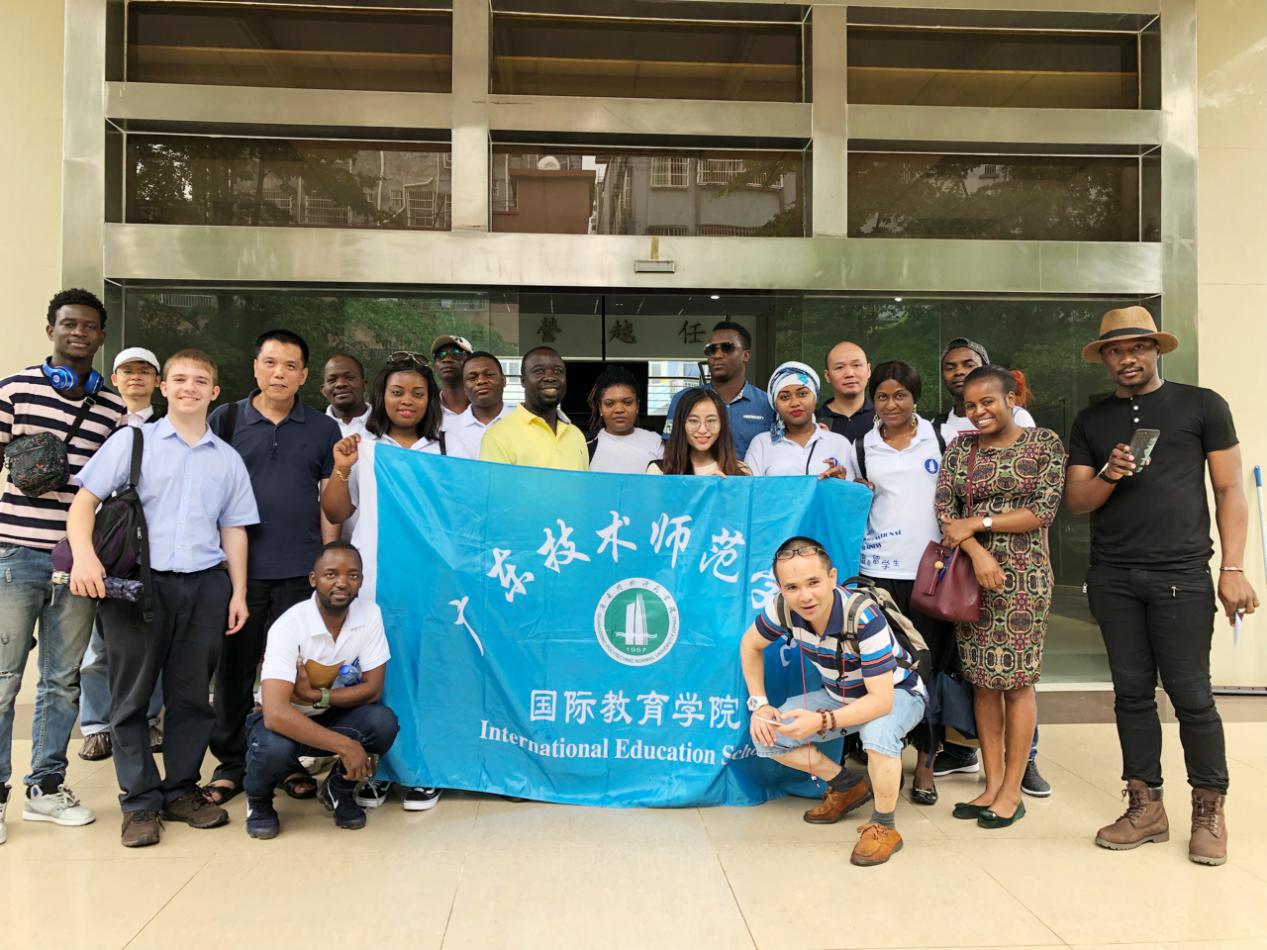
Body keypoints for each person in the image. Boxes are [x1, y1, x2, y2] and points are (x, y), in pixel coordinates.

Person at [1065, 306, 1257, 866]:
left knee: (1192, 696)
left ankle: (1209, 810)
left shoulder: (1202, 405)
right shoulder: (1092, 420)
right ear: (1104, 359)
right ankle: (1145, 807)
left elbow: (1229, 490)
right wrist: (1110, 473)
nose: (1127, 358)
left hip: (1182, 574)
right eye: (1115, 350)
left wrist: (1233, 568)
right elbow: (1077, 501)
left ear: (1155, 350)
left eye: (1137, 347)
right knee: (1130, 695)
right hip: (1113, 576)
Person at [67, 349, 257, 847]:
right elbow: (84, 502)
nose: (190, 387)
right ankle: (139, 802)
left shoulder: (227, 459)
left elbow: (234, 529)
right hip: (137, 588)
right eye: (180, 379)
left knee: (192, 698)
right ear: (164, 387)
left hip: (204, 586)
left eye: (200, 381)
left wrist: (237, 592)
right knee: (130, 699)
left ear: (214, 392)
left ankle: (180, 791)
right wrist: (84, 558)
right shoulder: (132, 442)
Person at [0, 289, 126, 844]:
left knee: (61, 680)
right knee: (4, 678)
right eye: (69, 323)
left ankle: (45, 788)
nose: (79, 332)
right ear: (50, 329)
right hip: (14, 553)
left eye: (89, 326)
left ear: (102, 336)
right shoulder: (14, 390)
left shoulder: (113, 408)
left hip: (78, 560)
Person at [203, 329, 341, 807]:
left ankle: (286, 761)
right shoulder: (225, 420)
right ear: (255, 367)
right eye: (270, 363)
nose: (279, 373)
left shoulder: (322, 429)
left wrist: (326, 565)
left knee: (290, 674)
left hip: (300, 571)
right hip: (238, 573)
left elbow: (328, 504)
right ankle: (231, 763)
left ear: (304, 375)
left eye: (290, 366)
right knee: (235, 671)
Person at [739, 537, 927, 866]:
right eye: (792, 587)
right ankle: (847, 786)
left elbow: (881, 702)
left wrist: (821, 721)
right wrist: (759, 704)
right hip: (839, 695)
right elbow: (750, 645)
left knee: (877, 733)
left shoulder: (864, 617)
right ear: (781, 589)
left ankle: (884, 827)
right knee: (767, 734)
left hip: (898, 693)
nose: (805, 596)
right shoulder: (782, 608)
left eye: (813, 582)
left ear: (832, 577)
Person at [934, 365, 1066, 829]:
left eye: (987, 401)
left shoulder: (1043, 444)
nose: (978, 412)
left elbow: (1042, 511)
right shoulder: (960, 449)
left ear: (1012, 399)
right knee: (983, 682)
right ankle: (990, 784)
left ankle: (1012, 790)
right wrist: (976, 550)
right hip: (971, 577)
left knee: (1017, 681)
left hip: (1024, 579)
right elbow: (945, 510)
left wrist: (980, 523)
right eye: (970, 405)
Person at [321, 352, 445, 814]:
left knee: (424, 676)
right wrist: (342, 467)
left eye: (417, 393)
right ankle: (375, 770)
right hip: (373, 582)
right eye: (397, 392)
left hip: (429, 585)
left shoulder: (445, 451)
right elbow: (336, 511)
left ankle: (422, 769)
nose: (407, 401)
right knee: (375, 676)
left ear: (430, 400)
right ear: (382, 396)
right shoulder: (363, 447)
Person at [243, 541, 399, 839]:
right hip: (282, 723)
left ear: (361, 581)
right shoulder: (289, 626)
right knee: (274, 747)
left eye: (353, 575)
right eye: (331, 574)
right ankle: (259, 800)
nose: (342, 582)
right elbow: (275, 714)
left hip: (331, 715)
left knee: (382, 722)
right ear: (313, 579)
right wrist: (346, 746)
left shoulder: (369, 615)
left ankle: (338, 789)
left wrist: (318, 696)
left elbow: (372, 690)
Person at [853, 360, 952, 804]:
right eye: (882, 396)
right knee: (882, 669)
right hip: (877, 571)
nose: (891, 404)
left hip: (931, 572)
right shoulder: (862, 445)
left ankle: (927, 762)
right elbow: (856, 499)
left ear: (915, 397)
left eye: (900, 395)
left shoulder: (940, 438)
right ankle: (885, 751)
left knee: (928, 668)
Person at [78, 346, 166, 763]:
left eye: (145, 371)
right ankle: (96, 725)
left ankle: (148, 720)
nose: (136, 377)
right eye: (127, 371)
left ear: (157, 381)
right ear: (114, 379)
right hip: (103, 545)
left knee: (153, 638)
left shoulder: (167, 427)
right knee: (99, 644)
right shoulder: (96, 424)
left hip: (151, 545)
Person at [661, 321, 774, 459]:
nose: (717, 355)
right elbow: (671, 453)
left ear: (746, 355)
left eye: (727, 348)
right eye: (712, 349)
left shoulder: (768, 404)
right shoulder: (683, 400)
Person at [480, 346, 588, 471]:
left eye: (558, 371)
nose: (550, 377)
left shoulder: (576, 435)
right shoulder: (498, 436)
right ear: (523, 381)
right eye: (539, 371)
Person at [744, 362, 855, 479]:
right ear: (775, 405)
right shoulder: (761, 444)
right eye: (785, 397)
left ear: (815, 397)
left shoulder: (839, 444)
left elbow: (852, 489)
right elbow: (751, 488)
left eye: (802, 394)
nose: (795, 403)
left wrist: (842, 481)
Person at [648, 388, 749, 477]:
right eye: (693, 421)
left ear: (722, 424)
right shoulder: (659, 471)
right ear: (681, 424)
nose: (702, 430)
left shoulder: (741, 471)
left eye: (711, 420)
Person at [585, 366, 662, 474]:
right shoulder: (586, 445)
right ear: (600, 408)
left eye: (627, 402)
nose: (619, 410)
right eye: (609, 403)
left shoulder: (656, 442)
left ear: (637, 405)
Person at [447, 350, 514, 460]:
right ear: (464, 387)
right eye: (472, 378)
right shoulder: (448, 430)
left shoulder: (525, 424)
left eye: (489, 375)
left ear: (504, 380)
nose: (481, 381)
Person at [817, 340, 874, 442]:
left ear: (869, 370)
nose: (849, 374)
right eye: (839, 367)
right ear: (827, 376)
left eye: (856, 365)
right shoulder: (813, 422)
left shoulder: (884, 417)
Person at [432, 334, 473, 435]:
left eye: (456, 353)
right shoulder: (427, 411)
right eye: (440, 355)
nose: (446, 359)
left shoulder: (485, 408)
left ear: (471, 362)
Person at [321, 352, 370, 436]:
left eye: (349, 378)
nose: (340, 384)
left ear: (364, 385)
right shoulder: (312, 428)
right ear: (323, 390)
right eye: (332, 380)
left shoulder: (385, 424)